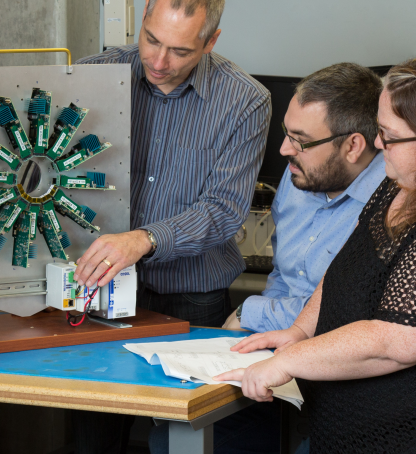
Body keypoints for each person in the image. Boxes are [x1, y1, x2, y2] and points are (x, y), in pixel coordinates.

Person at [216, 54, 416, 453]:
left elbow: (393, 343)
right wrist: (299, 331)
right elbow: (345, 270)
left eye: (390, 136)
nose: (378, 145)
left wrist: (287, 361)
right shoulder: (400, 185)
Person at [72, 0, 270, 453]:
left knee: (183, 439)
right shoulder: (94, 75)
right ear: (143, 15)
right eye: (152, 39)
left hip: (193, 295)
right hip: (100, 291)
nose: (159, 61)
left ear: (211, 40)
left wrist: (143, 240)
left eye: (180, 50)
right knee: (94, 431)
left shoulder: (245, 101)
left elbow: (224, 211)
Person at [151, 62, 387, 454]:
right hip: (276, 359)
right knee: (175, 436)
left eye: (300, 140)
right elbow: (284, 277)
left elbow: (350, 310)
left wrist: (254, 314)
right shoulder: (299, 182)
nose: (284, 151)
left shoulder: (392, 206)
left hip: (347, 376)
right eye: (285, 133)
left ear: (353, 145)